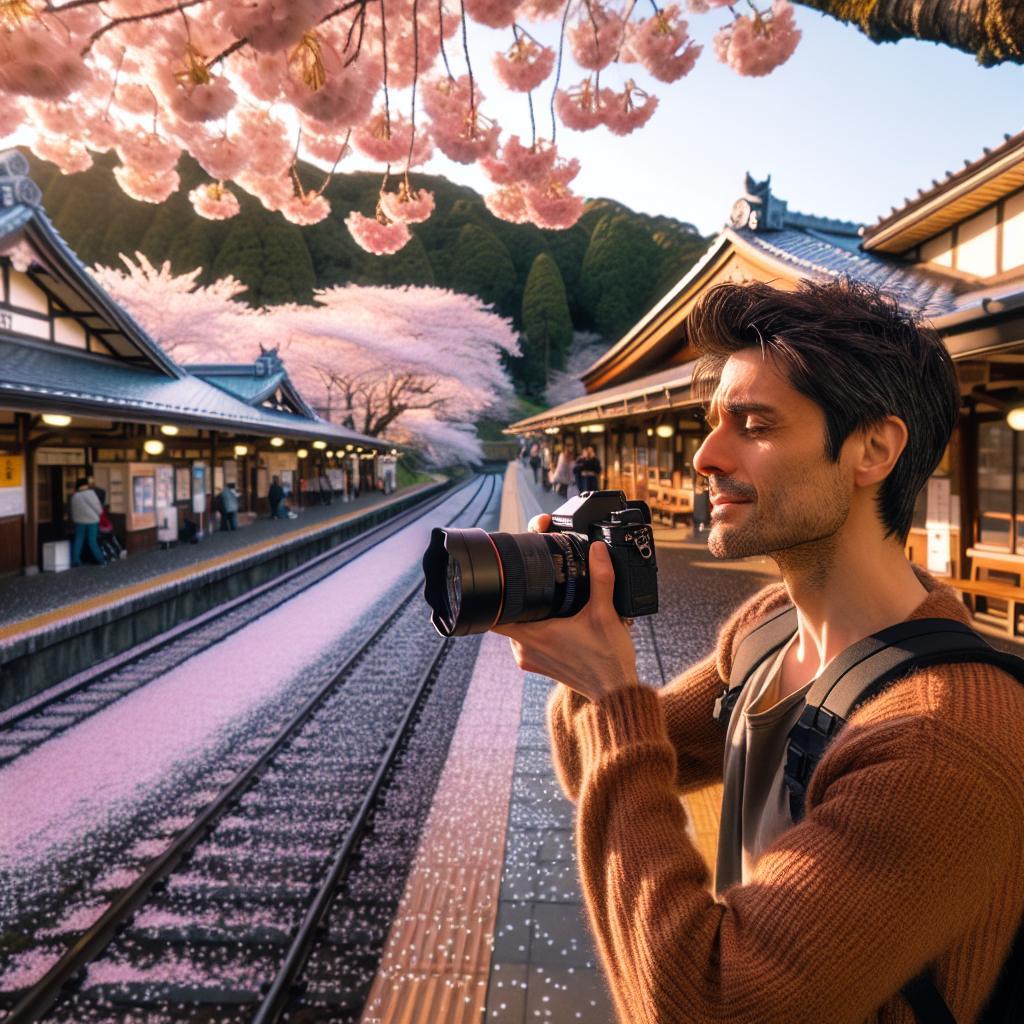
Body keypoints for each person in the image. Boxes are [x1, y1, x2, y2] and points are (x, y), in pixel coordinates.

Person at [494, 278, 1024, 1023]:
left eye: (754, 424)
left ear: (874, 448)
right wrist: (581, 636)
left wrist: (614, 695)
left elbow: (708, 1000)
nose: (706, 455)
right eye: (714, 423)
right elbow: (598, 766)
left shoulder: (940, 741)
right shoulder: (769, 626)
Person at [69, 477, 106, 567]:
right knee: (92, 541)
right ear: (86, 485)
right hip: (92, 521)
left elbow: (72, 511)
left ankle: (75, 561)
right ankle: (101, 560)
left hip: (79, 521)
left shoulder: (74, 496)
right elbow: (99, 509)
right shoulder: (91, 494)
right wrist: (99, 513)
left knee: (78, 540)